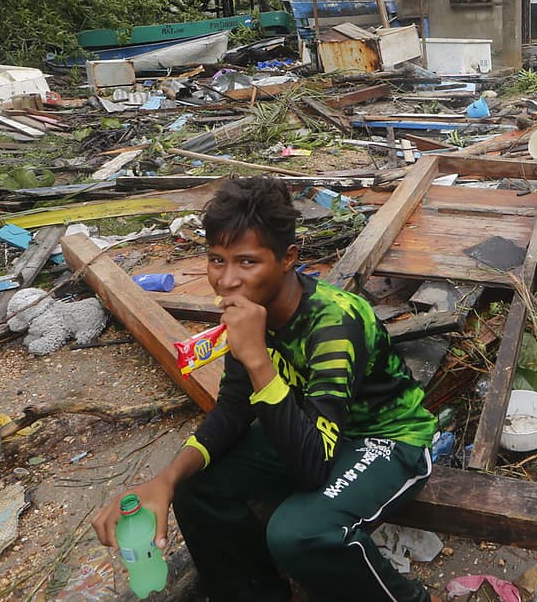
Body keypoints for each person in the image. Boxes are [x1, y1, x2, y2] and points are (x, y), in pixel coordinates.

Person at [92, 176, 437, 602]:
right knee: (197, 484)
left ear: (287, 258)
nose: (227, 280)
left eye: (247, 262)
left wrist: (256, 357)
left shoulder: (334, 324)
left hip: (385, 440)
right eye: (217, 260)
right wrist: (165, 479)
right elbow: (235, 408)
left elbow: (312, 465)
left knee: (298, 533)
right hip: (315, 429)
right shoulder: (250, 311)